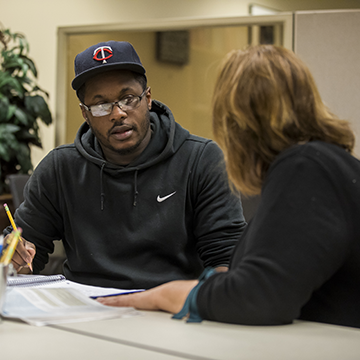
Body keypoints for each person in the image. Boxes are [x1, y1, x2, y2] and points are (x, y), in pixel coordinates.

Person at [97, 44, 360, 329]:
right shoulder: (321, 164)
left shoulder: (307, 167)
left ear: (236, 120)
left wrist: (166, 294)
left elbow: (258, 297)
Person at [5, 41, 246, 289]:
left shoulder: (202, 159)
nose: (118, 113)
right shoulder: (60, 168)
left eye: (128, 98)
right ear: (85, 113)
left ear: (148, 99)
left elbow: (226, 260)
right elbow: (26, 254)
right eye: (100, 105)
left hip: (170, 309)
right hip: (83, 312)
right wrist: (16, 256)